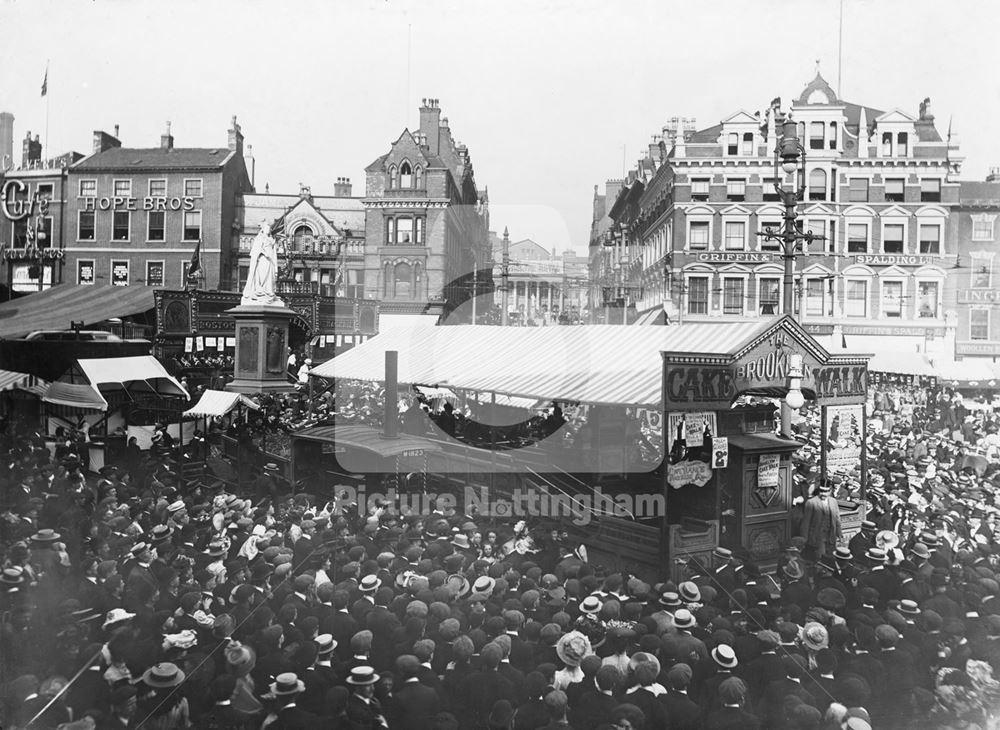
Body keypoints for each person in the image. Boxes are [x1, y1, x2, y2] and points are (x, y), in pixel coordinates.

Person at [800, 481, 842, 561]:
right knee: (820, 558)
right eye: (821, 491)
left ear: (830, 491)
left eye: (826, 491)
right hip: (817, 536)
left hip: (830, 535)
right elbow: (806, 522)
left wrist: (839, 533)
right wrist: (804, 538)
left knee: (831, 557)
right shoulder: (811, 502)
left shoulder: (833, 501)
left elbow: (837, 518)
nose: (823, 494)